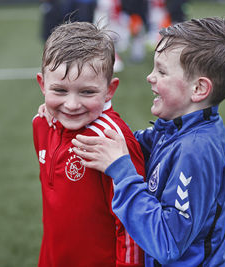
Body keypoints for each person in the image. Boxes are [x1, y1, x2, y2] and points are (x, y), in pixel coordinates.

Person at [70, 17, 225, 266]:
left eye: (162, 71)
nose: (150, 77)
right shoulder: (179, 128)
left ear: (198, 89)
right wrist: (71, 112)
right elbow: (133, 143)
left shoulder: (195, 150)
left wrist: (122, 172)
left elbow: (167, 242)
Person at [33, 21, 146, 266]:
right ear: (43, 85)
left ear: (109, 90)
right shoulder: (41, 124)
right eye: (60, 90)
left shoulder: (111, 140)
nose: (72, 104)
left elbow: (133, 224)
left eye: (87, 92)